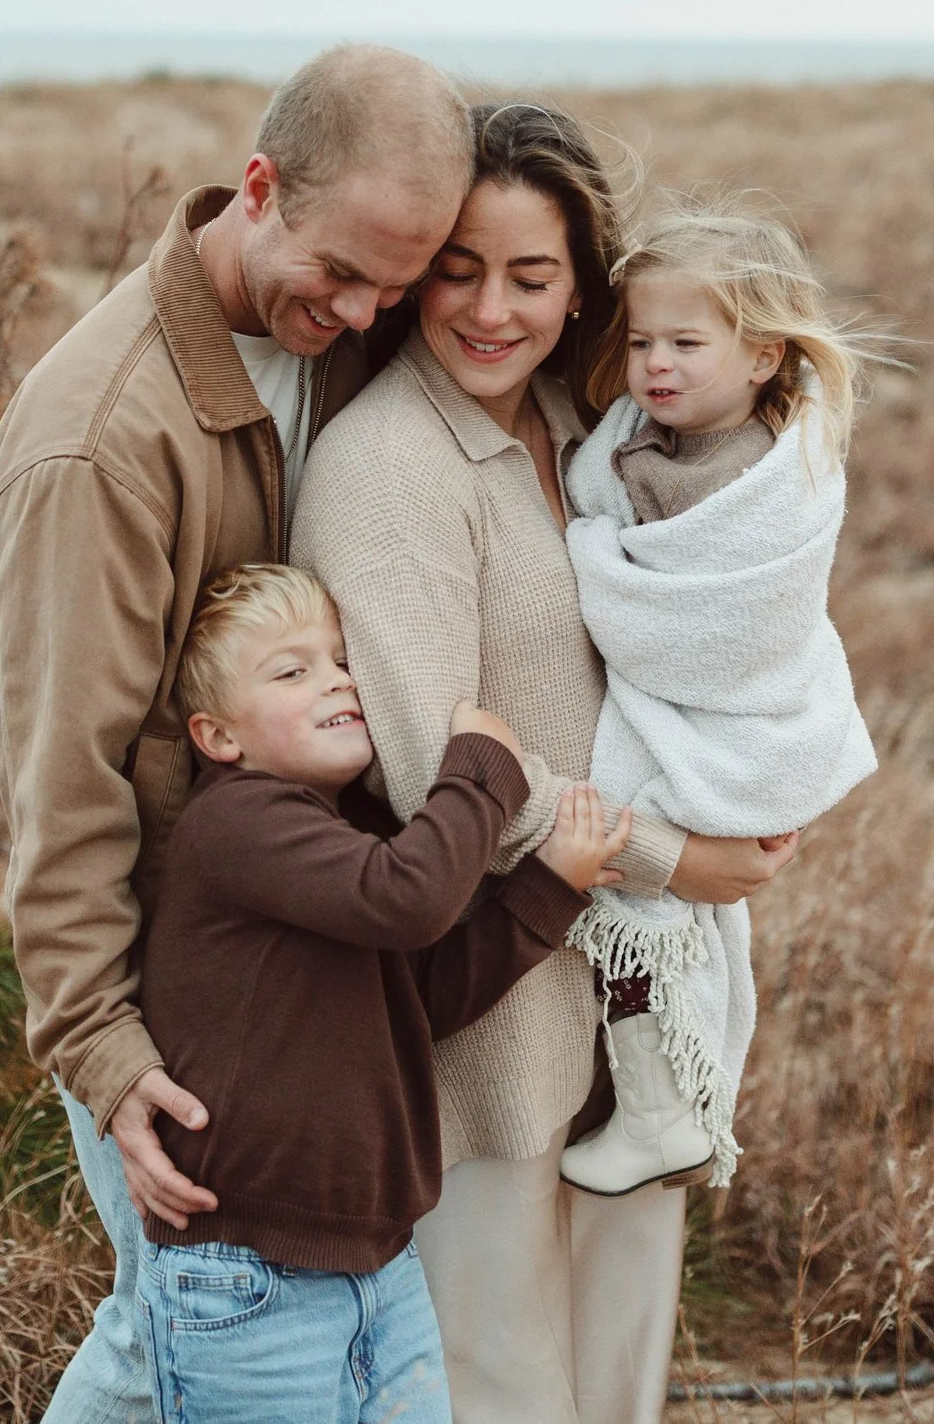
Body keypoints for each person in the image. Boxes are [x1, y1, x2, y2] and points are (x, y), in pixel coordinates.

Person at [0, 44, 473, 1424]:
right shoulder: (97, 441)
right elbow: (62, 782)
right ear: (258, 188)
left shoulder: (354, 336)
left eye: (396, 285)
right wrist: (104, 1047)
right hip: (174, 993)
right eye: (342, 272)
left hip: (311, 945)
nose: (365, 311)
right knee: (173, 1324)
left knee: (183, 1338)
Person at [291, 102, 798, 1424]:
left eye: (530, 274)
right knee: (500, 1387)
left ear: (581, 289)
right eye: (458, 269)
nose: (489, 309)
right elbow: (430, 765)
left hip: (633, 1003)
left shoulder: (594, 433)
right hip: (494, 1018)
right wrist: (673, 856)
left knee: (618, 1378)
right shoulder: (385, 465)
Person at [133, 562, 629, 1423]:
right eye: (292, 670)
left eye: (340, 659)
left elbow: (421, 1000)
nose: (336, 680)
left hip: (380, 1268)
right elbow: (410, 898)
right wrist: (482, 766)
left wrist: (549, 887)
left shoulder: (343, 837)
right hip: (246, 1279)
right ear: (218, 736)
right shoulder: (235, 821)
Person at [553, 195, 882, 1199]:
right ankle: (672, 1103)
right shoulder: (660, 436)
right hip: (708, 715)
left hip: (727, 720)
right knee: (668, 906)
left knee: (633, 881)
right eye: (641, 341)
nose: (655, 365)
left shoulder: (736, 477)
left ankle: (662, 1111)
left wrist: (596, 548)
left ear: (763, 356)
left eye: (687, 343)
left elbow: (702, 616)